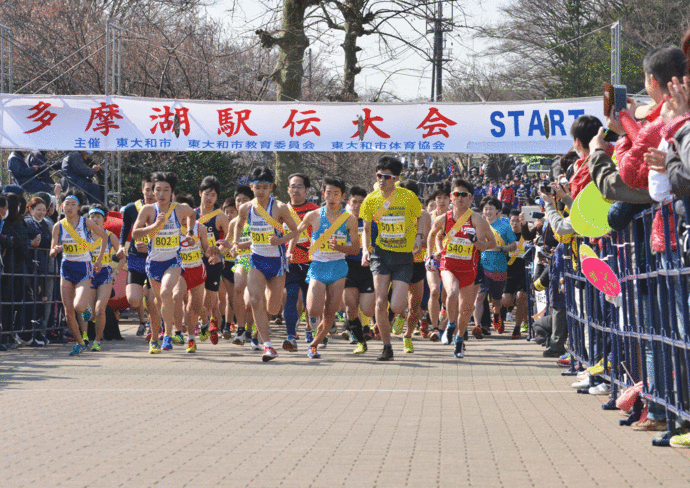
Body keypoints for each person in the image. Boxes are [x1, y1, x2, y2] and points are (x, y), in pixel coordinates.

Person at [231, 166, 298, 362]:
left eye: (265, 187)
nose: (260, 191)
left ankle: (268, 324)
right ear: (251, 187)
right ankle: (268, 346)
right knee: (253, 300)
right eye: (257, 187)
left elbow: (295, 230)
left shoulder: (280, 207)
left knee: (274, 308)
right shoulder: (246, 207)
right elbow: (239, 224)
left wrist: (280, 241)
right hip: (257, 259)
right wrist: (235, 243)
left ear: (271, 187)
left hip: (276, 261)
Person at [361, 156, 423, 361]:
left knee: (396, 306)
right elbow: (367, 228)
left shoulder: (407, 197)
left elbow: (421, 217)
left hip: (403, 256)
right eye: (379, 176)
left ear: (396, 178)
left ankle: (399, 314)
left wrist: (419, 236)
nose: (382, 180)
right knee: (380, 302)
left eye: (386, 177)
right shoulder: (371, 200)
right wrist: (365, 249)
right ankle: (386, 347)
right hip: (380, 254)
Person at [131, 172, 197, 354]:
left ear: (172, 193)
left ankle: (167, 336)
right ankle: (155, 337)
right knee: (159, 302)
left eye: (166, 190)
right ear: (152, 191)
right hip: (153, 263)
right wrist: (153, 227)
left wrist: (190, 233)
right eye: (157, 190)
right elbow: (135, 233)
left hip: (173, 261)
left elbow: (193, 215)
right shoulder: (148, 210)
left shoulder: (180, 209)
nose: (161, 194)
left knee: (167, 292)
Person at [295, 176, 359, 358]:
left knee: (330, 315)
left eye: (336, 194)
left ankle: (314, 345)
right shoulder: (313, 215)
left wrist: (339, 247)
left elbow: (355, 249)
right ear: (323, 194)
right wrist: (288, 250)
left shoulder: (350, 219)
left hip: (338, 267)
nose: (331, 197)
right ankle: (315, 325)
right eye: (328, 193)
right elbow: (296, 232)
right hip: (318, 266)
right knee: (314, 310)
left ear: (343, 196)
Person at [430, 179, 495, 358]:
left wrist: (479, 244)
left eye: (463, 195)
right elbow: (433, 235)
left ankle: (459, 340)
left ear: (470, 198)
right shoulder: (443, 219)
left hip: (470, 268)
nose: (459, 198)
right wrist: (435, 251)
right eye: (456, 194)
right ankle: (450, 325)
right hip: (448, 264)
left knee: (465, 310)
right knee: (451, 293)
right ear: (451, 197)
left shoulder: (478, 220)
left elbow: (492, 243)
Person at [49, 189, 108, 355]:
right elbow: (51, 251)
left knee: (79, 306)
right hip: (66, 267)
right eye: (66, 204)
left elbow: (104, 237)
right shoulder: (58, 226)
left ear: (78, 207)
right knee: (68, 312)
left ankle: (86, 308)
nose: (69, 207)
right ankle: (80, 342)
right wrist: (55, 250)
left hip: (84, 267)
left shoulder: (85, 222)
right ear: (62, 207)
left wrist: (98, 259)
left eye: (73, 204)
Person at [284, 173, 320, 351]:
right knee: (291, 297)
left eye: (299, 186)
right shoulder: (281, 210)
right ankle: (290, 336)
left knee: (311, 303)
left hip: (311, 263)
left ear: (307, 190)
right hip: (290, 263)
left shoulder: (316, 211)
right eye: (292, 186)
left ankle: (314, 331)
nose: (295, 190)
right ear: (287, 189)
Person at [473, 196, 517, 337]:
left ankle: (497, 315)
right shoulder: (478, 225)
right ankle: (477, 326)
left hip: (499, 268)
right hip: (481, 267)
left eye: (491, 209)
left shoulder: (504, 226)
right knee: (479, 297)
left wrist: (502, 248)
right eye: (486, 209)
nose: (488, 211)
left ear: (498, 210)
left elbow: (514, 245)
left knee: (496, 301)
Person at [120, 175, 158, 337]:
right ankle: (146, 318)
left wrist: (149, 248)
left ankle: (155, 329)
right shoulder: (130, 209)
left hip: (155, 259)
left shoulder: (162, 211)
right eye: (147, 190)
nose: (150, 194)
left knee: (152, 301)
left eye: (153, 190)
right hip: (135, 259)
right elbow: (125, 228)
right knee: (133, 299)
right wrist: (121, 246)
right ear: (142, 190)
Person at [171, 194, 209, 353]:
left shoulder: (200, 228)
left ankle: (205, 320)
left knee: (196, 307)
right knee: (176, 296)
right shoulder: (172, 227)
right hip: (181, 270)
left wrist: (212, 253)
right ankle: (184, 335)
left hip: (197, 270)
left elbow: (206, 250)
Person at [84, 204, 125, 352]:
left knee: (100, 309)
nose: (95, 219)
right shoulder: (83, 235)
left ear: (104, 220)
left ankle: (97, 340)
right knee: (89, 312)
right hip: (88, 275)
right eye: (92, 216)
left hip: (105, 274)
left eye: (98, 217)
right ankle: (85, 335)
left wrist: (116, 272)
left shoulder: (110, 236)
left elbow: (122, 257)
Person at [195, 176, 230, 346]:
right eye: (207, 194)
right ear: (200, 193)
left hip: (213, 263)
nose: (209, 199)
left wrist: (220, 255)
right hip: (193, 262)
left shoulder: (221, 217)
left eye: (213, 195)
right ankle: (204, 322)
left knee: (208, 300)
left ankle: (210, 320)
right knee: (195, 300)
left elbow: (231, 240)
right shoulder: (191, 215)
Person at [398, 179, 431, 353]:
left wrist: (418, 241)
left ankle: (408, 335)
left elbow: (428, 241)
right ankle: (397, 315)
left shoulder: (424, 215)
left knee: (415, 306)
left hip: (417, 262)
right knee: (396, 299)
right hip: (397, 261)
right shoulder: (392, 212)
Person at [342, 186, 375, 354]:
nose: (357, 205)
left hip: (368, 268)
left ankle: (368, 325)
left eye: (361, 203)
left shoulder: (371, 222)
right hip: (348, 267)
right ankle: (360, 341)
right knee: (350, 308)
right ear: (349, 203)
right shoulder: (343, 221)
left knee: (368, 309)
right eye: (354, 202)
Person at [229, 186, 256, 347]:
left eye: (244, 200)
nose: (240, 204)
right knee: (238, 288)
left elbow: (258, 240)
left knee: (250, 301)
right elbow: (228, 243)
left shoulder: (257, 218)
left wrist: (238, 245)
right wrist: (217, 252)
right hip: (241, 261)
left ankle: (250, 330)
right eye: (238, 200)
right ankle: (240, 329)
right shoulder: (233, 222)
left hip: (257, 261)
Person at [425, 183, 450, 342]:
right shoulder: (429, 216)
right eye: (438, 198)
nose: (441, 201)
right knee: (434, 291)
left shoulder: (455, 216)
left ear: (450, 199)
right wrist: (429, 256)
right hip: (432, 258)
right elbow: (428, 237)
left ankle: (444, 324)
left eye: (445, 198)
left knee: (448, 295)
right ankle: (434, 328)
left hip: (450, 259)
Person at [502, 210, 529, 339]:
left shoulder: (527, 235)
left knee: (521, 298)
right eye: (512, 221)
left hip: (523, 272)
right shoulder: (507, 236)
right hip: (508, 272)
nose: (514, 224)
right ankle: (505, 315)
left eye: (517, 221)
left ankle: (517, 327)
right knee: (506, 301)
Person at [220, 198, 238, 339]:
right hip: (228, 264)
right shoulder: (225, 227)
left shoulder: (245, 225)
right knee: (229, 297)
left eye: (232, 212)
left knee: (242, 297)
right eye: (226, 212)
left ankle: (246, 326)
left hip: (244, 265)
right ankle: (227, 325)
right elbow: (224, 246)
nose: (229, 215)